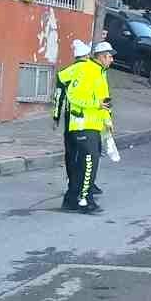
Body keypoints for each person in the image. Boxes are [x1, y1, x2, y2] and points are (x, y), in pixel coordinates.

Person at [63, 42, 114, 213]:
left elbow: (104, 102)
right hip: (82, 124)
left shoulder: (100, 73)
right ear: (101, 56)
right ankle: (85, 201)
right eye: (109, 56)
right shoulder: (87, 70)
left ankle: (71, 200)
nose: (112, 60)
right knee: (89, 164)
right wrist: (95, 104)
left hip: (93, 125)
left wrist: (107, 121)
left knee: (82, 165)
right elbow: (72, 95)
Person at [52, 40, 97, 195]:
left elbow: (59, 95)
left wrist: (56, 116)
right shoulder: (90, 70)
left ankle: (75, 183)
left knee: (72, 153)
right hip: (85, 118)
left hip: (69, 117)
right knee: (86, 155)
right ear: (87, 55)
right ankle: (81, 186)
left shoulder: (66, 72)